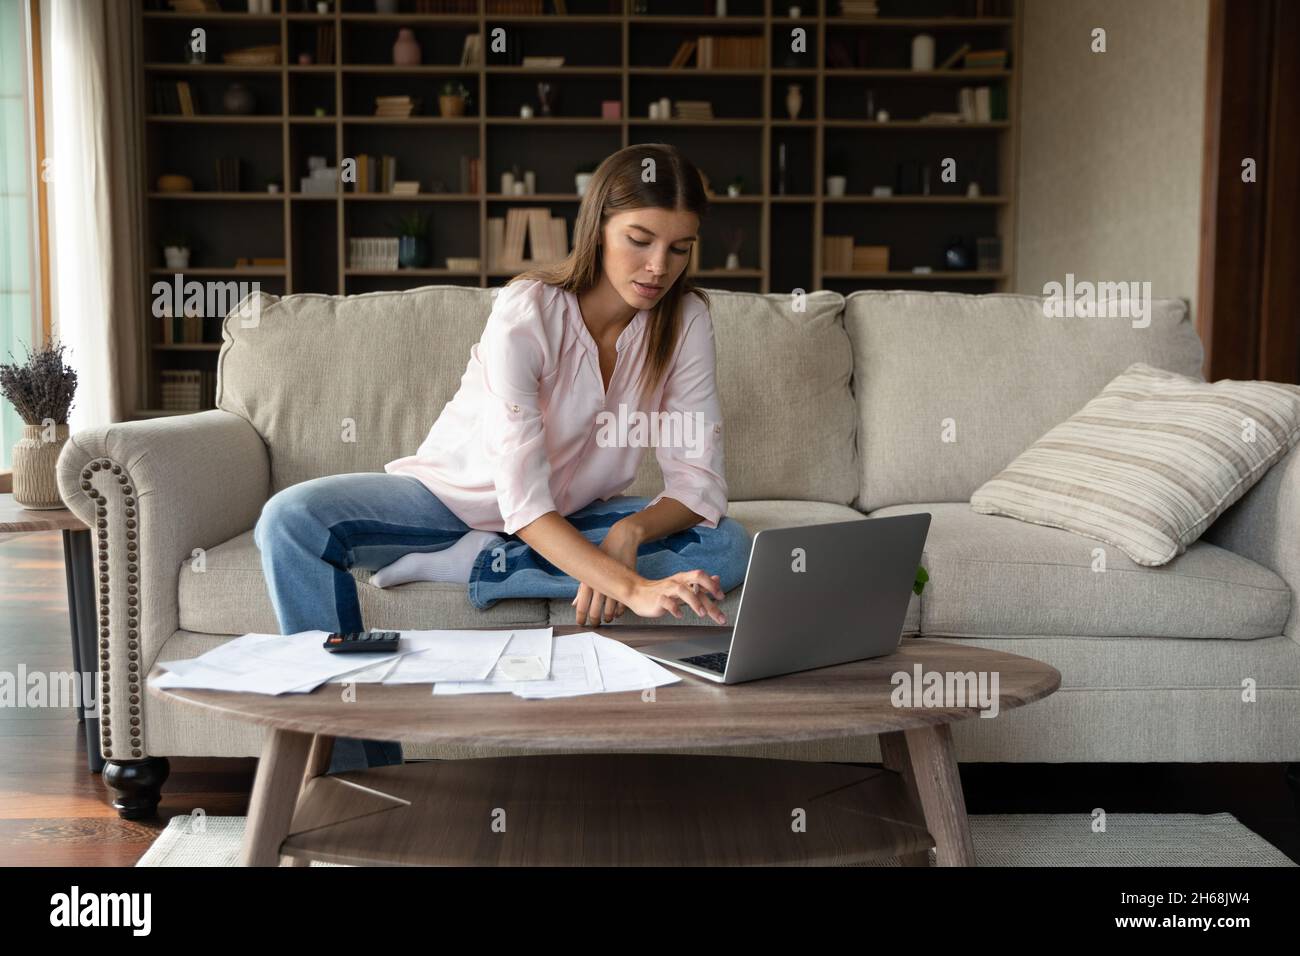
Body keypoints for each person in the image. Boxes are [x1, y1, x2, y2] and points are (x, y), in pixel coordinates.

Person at [252, 143, 752, 773]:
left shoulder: (687, 320)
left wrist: (628, 534)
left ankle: (475, 565)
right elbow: (521, 499)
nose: (659, 267)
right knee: (289, 521)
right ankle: (359, 775)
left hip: (572, 518)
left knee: (728, 545)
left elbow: (699, 483)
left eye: (679, 248)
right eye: (640, 239)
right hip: (449, 503)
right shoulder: (529, 308)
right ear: (597, 229)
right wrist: (626, 585)